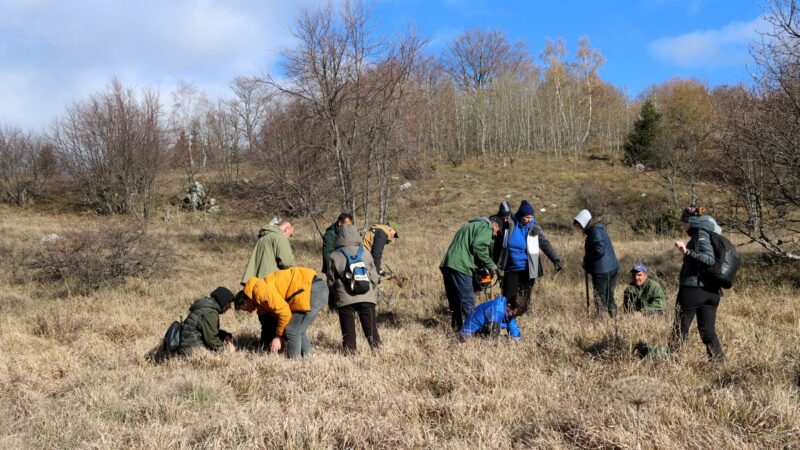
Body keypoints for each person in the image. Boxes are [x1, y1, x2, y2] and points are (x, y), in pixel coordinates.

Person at [669, 206, 725, 362]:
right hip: (712, 291)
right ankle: (719, 364)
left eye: (683, 222)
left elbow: (709, 260)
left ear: (690, 221)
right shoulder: (711, 232)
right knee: (708, 332)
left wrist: (686, 251)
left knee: (679, 330)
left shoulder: (700, 233)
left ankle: (670, 365)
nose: (682, 225)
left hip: (694, 290)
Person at [236, 267, 328, 358]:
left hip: (311, 291)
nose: (250, 312)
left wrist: (278, 337)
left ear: (246, 301)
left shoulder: (259, 292)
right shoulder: (259, 293)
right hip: (313, 289)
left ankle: (294, 363)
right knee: (298, 329)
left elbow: (284, 312)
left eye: (246, 309)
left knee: (292, 330)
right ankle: (308, 357)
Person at [440, 216, 502, 331]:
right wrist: (491, 265)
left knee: (455, 301)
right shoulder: (486, 227)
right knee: (468, 301)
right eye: (498, 230)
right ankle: (477, 331)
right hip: (461, 266)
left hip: (448, 264)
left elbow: (469, 246)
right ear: (495, 225)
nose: (496, 234)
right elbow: (478, 246)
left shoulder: (468, 225)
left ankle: (457, 328)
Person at [327, 223, 381, 354]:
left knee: (348, 331)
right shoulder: (366, 253)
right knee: (371, 329)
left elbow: (331, 281)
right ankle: (378, 352)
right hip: (366, 296)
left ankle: (350, 353)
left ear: (339, 237)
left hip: (345, 298)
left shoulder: (334, 256)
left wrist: (338, 293)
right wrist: (368, 288)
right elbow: (374, 277)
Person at [240, 219, 295, 346]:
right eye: (290, 235)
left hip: (255, 284)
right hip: (271, 285)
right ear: (286, 229)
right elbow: (287, 262)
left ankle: (265, 347)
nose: (289, 238)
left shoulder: (263, 238)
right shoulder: (279, 237)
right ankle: (275, 348)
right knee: (275, 319)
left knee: (265, 322)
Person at [497, 200, 563, 301]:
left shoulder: (534, 228)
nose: (529, 219)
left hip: (527, 269)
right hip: (511, 269)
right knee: (508, 300)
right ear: (520, 216)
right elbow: (498, 244)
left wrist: (556, 259)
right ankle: (508, 316)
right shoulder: (510, 225)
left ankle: (524, 316)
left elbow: (545, 244)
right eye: (527, 217)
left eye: (531, 217)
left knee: (524, 300)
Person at [574, 209, 620, 317]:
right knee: (609, 297)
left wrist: (587, 259)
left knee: (600, 298)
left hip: (602, 271)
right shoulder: (599, 229)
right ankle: (614, 320)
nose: (579, 228)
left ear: (584, 222)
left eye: (579, 225)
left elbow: (599, 250)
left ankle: (601, 322)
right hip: (612, 267)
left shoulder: (595, 232)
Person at [178, 287, 236, 356]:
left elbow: (207, 331)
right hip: (192, 349)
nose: (230, 306)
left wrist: (224, 335)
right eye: (229, 302)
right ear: (223, 301)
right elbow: (211, 340)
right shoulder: (210, 313)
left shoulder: (206, 307)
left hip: (186, 345)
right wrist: (227, 349)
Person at [459, 294, 529, 342]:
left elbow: (512, 324)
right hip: (472, 325)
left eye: (516, 316)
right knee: (465, 340)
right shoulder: (497, 308)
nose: (514, 317)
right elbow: (495, 334)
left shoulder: (509, 312)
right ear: (508, 306)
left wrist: (517, 339)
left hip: (485, 325)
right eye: (513, 314)